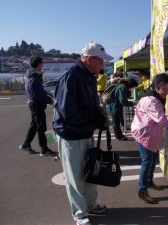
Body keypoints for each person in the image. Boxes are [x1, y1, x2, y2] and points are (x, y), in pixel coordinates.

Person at [52, 42, 112, 225]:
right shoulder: (71, 77)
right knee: (75, 177)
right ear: (88, 59)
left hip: (85, 131)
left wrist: (99, 116)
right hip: (70, 134)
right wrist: (94, 120)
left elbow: (92, 103)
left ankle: (90, 204)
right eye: (100, 60)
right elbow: (67, 112)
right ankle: (79, 212)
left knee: (89, 170)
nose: (103, 64)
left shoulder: (90, 76)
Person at [131, 73, 168, 204]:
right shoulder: (151, 100)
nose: (167, 92)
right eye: (164, 89)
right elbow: (162, 121)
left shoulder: (154, 96)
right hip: (144, 134)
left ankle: (149, 181)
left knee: (152, 160)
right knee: (147, 161)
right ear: (156, 87)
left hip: (149, 133)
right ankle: (142, 190)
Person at [20, 56, 55, 156]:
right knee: (41, 127)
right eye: (42, 63)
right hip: (36, 104)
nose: (43, 65)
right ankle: (44, 149)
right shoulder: (34, 77)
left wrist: (49, 95)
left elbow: (39, 91)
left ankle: (26, 144)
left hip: (32, 103)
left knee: (34, 125)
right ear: (39, 64)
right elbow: (38, 94)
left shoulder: (31, 75)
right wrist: (50, 100)